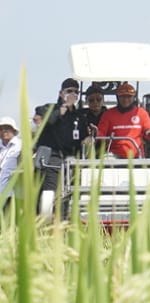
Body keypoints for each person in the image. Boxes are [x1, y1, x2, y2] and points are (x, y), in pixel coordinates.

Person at [35, 77, 90, 210]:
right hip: (52, 157)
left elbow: (83, 137)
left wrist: (88, 138)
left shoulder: (79, 116)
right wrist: (62, 109)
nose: (73, 95)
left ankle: (65, 216)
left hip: (71, 159)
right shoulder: (48, 108)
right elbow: (46, 121)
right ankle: (46, 218)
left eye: (76, 92)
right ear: (61, 93)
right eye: (69, 91)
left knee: (69, 192)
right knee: (50, 191)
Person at [97, 84, 150, 159]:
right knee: (106, 159)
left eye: (129, 96)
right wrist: (94, 133)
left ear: (134, 97)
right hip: (114, 156)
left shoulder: (142, 113)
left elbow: (148, 130)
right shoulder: (108, 114)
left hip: (137, 156)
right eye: (123, 96)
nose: (126, 99)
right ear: (117, 97)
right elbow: (101, 134)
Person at [0, 118, 20, 206]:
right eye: (1, 129)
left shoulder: (21, 146)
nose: (3, 131)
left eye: (7, 128)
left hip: (13, 194)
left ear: (14, 130)